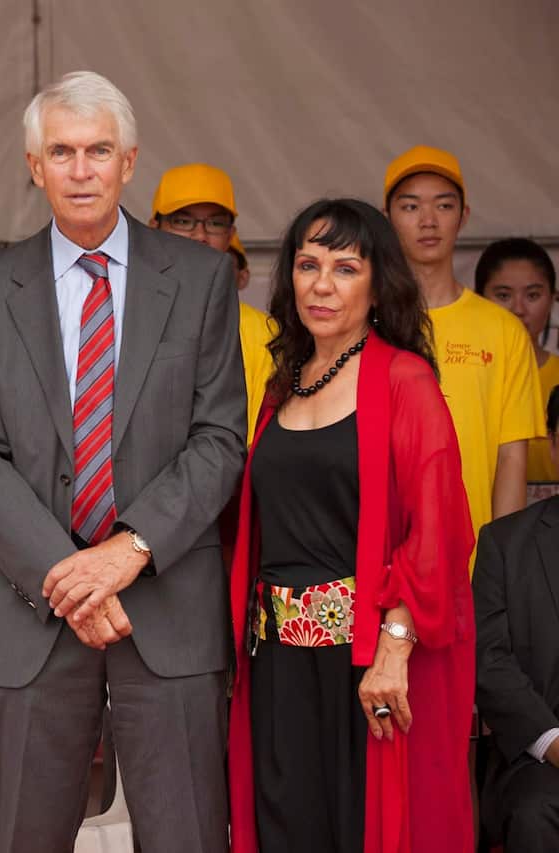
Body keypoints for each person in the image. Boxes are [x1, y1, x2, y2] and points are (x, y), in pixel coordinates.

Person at [0, 71, 246, 853]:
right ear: (34, 165)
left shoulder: (202, 279)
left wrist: (127, 550)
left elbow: (220, 438)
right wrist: (70, 577)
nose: (81, 170)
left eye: (99, 151)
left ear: (130, 161)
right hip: (39, 614)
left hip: (168, 606)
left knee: (185, 837)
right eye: (62, 152)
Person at [227, 198, 476, 853]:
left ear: (377, 284)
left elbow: (439, 528)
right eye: (308, 265)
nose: (322, 285)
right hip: (278, 659)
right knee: (287, 827)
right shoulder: (284, 385)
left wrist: (394, 646)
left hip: (366, 657)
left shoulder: (405, 380)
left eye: (345, 268)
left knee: (363, 827)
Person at [384, 145, 545, 549]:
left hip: (471, 561)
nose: (428, 221)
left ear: (463, 216)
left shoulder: (503, 330)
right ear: (387, 218)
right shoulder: (368, 323)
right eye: (410, 207)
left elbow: (511, 459)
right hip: (383, 558)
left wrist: (501, 565)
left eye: (443, 205)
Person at [474, 386, 559, 851]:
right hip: (538, 758)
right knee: (534, 812)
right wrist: (551, 741)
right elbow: (489, 662)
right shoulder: (505, 545)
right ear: (554, 446)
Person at [149, 162, 273, 443]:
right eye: (183, 221)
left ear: (230, 235)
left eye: (215, 223)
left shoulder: (264, 331)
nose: (200, 236)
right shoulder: (124, 310)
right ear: (154, 227)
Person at [474, 239, 558, 483]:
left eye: (533, 295)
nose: (518, 309)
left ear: (552, 299)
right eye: (503, 295)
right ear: (478, 300)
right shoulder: (465, 379)